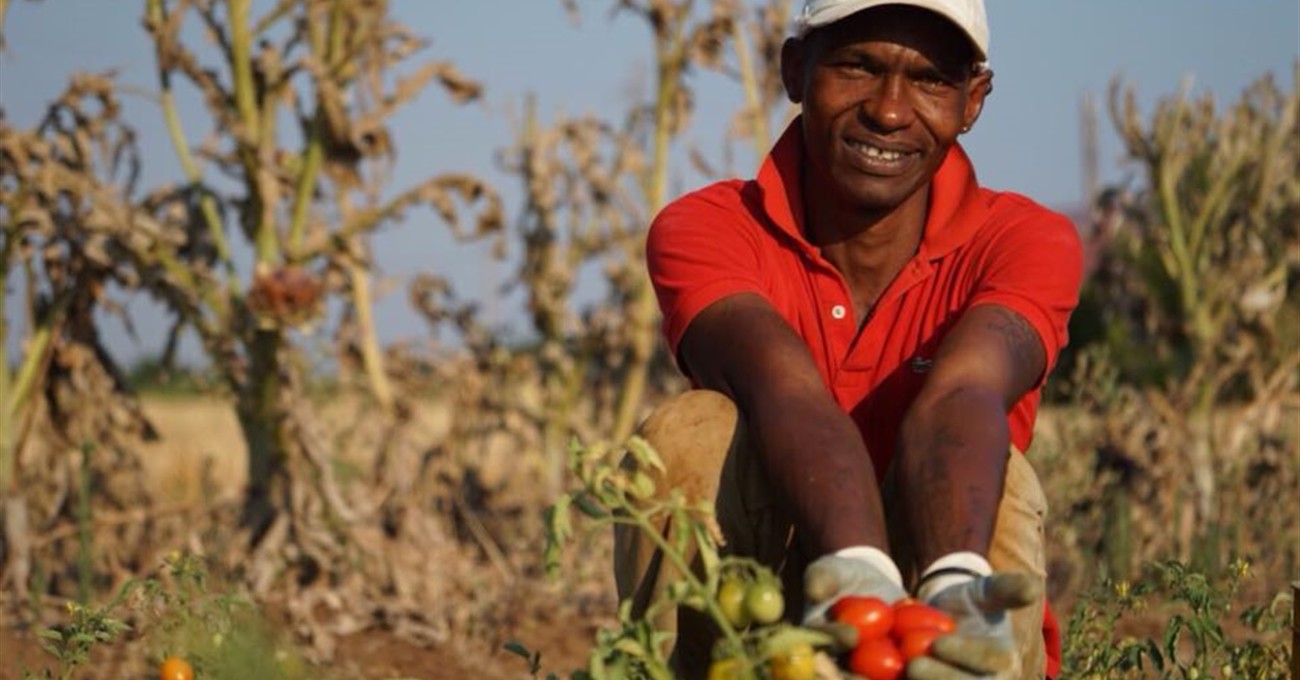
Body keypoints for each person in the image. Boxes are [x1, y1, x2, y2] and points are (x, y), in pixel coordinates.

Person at [614, 0, 1083, 678]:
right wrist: (860, 579)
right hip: (762, 613)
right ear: (795, 70)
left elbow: (962, 393)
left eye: (929, 81)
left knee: (1000, 477)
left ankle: (967, 642)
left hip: (943, 558)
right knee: (689, 435)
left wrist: (948, 585)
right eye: (858, 67)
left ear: (972, 99)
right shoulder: (708, 227)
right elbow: (783, 389)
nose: (890, 111)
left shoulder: (1021, 241)